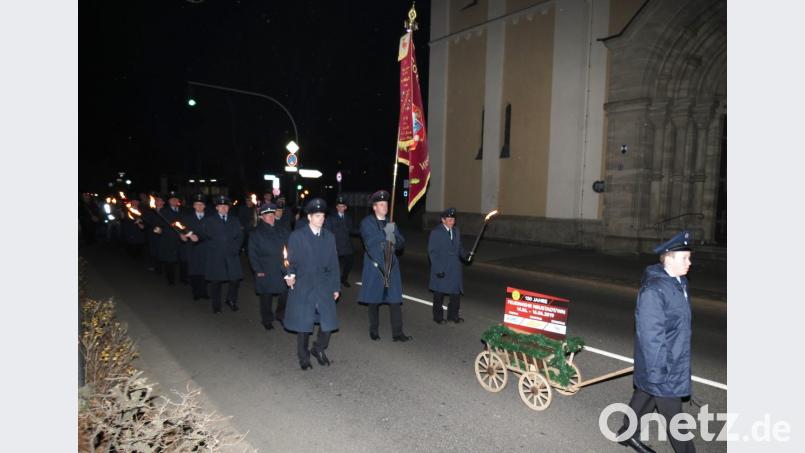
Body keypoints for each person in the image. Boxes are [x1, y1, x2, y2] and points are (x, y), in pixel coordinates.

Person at [617, 230, 695, 453]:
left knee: (645, 394)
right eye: (684, 258)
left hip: (673, 358)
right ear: (668, 258)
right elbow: (651, 337)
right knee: (676, 420)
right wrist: (658, 372)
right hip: (663, 365)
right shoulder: (654, 291)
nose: (689, 263)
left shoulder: (678, 282)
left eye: (689, 258)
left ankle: (626, 434)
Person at [283, 198, 340, 370]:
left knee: (328, 323)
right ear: (309, 217)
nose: (320, 219)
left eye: (322, 216)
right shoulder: (297, 236)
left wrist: (336, 287)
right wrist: (289, 275)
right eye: (317, 216)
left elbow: (333, 264)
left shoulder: (329, 237)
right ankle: (304, 357)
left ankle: (318, 348)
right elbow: (288, 261)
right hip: (304, 284)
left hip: (323, 285)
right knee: (304, 324)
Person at [357, 190, 411, 342]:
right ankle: (374, 330)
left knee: (395, 300)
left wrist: (394, 236)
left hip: (391, 267)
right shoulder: (366, 222)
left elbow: (400, 244)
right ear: (374, 207)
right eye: (381, 204)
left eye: (386, 204)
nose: (385, 206)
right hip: (376, 267)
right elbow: (370, 241)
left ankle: (398, 333)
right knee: (374, 300)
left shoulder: (391, 223)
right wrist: (386, 232)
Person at [248, 202, 290, 330]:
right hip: (265, 269)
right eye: (267, 215)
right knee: (266, 297)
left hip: (282, 268)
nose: (271, 217)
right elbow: (252, 253)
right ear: (261, 217)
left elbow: (290, 247)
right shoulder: (256, 233)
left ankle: (280, 315)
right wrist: (258, 270)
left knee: (285, 294)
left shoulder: (282, 229)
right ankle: (267, 319)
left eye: (272, 214)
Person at [201, 195, 244, 313]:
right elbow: (205, 237)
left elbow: (240, 236)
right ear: (217, 208)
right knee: (216, 282)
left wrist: (236, 249)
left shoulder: (234, 220)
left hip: (232, 255)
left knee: (235, 280)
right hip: (216, 256)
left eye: (226, 206)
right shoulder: (209, 220)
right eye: (221, 206)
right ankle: (216, 305)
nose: (224, 208)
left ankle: (231, 300)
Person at [427, 207, 469, 324]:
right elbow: (432, 252)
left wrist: (466, 255)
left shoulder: (456, 231)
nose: (452, 222)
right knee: (439, 294)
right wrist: (438, 269)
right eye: (449, 219)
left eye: (453, 219)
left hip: (454, 268)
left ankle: (453, 315)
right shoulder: (436, 232)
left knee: (455, 294)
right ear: (443, 220)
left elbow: (459, 247)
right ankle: (438, 317)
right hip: (442, 268)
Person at [180, 194, 210, 301]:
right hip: (192, 249)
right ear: (193, 206)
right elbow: (182, 233)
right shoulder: (187, 218)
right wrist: (183, 237)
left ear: (204, 206)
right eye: (197, 204)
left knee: (205, 271)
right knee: (194, 272)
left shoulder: (210, 218)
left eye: (201, 204)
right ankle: (195, 292)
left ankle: (204, 291)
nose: (199, 206)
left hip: (206, 249)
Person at [324, 194, 355, 287]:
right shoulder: (331, 218)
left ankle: (344, 278)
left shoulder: (349, 218)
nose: (341, 208)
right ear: (336, 207)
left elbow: (351, 229)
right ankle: (332, 281)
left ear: (345, 207)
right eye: (339, 206)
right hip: (335, 245)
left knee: (350, 262)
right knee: (333, 266)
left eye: (343, 206)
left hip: (346, 245)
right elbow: (327, 232)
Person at [156, 190, 185, 286]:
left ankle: (183, 278)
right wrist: (159, 229)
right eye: (172, 199)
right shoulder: (163, 211)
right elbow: (159, 224)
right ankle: (171, 280)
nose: (174, 201)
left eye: (176, 199)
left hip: (182, 239)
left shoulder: (184, 210)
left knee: (183, 260)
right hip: (169, 239)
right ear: (169, 201)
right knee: (170, 261)